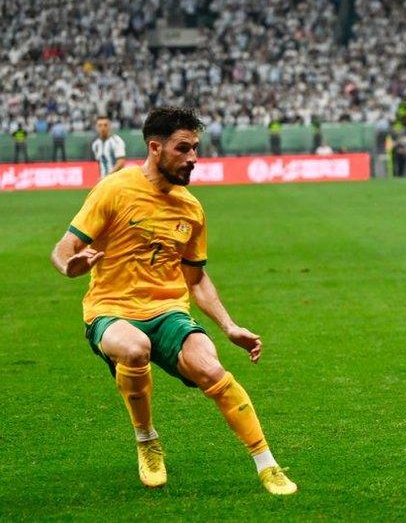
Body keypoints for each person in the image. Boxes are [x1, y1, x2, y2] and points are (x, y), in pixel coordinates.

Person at [49, 107, 297, 495]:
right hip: (111, 310)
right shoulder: (114, 189)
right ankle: (147, 439)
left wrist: (229, 326)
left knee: (211, 368)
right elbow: (63, 249)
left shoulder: (191, 208)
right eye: (183, 149)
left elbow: (195, 279)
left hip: (167, 310)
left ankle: (267, 464)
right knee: (135, 349)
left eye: (196, 148)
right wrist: (71, 266)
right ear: (154, 147)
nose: (193, 158)